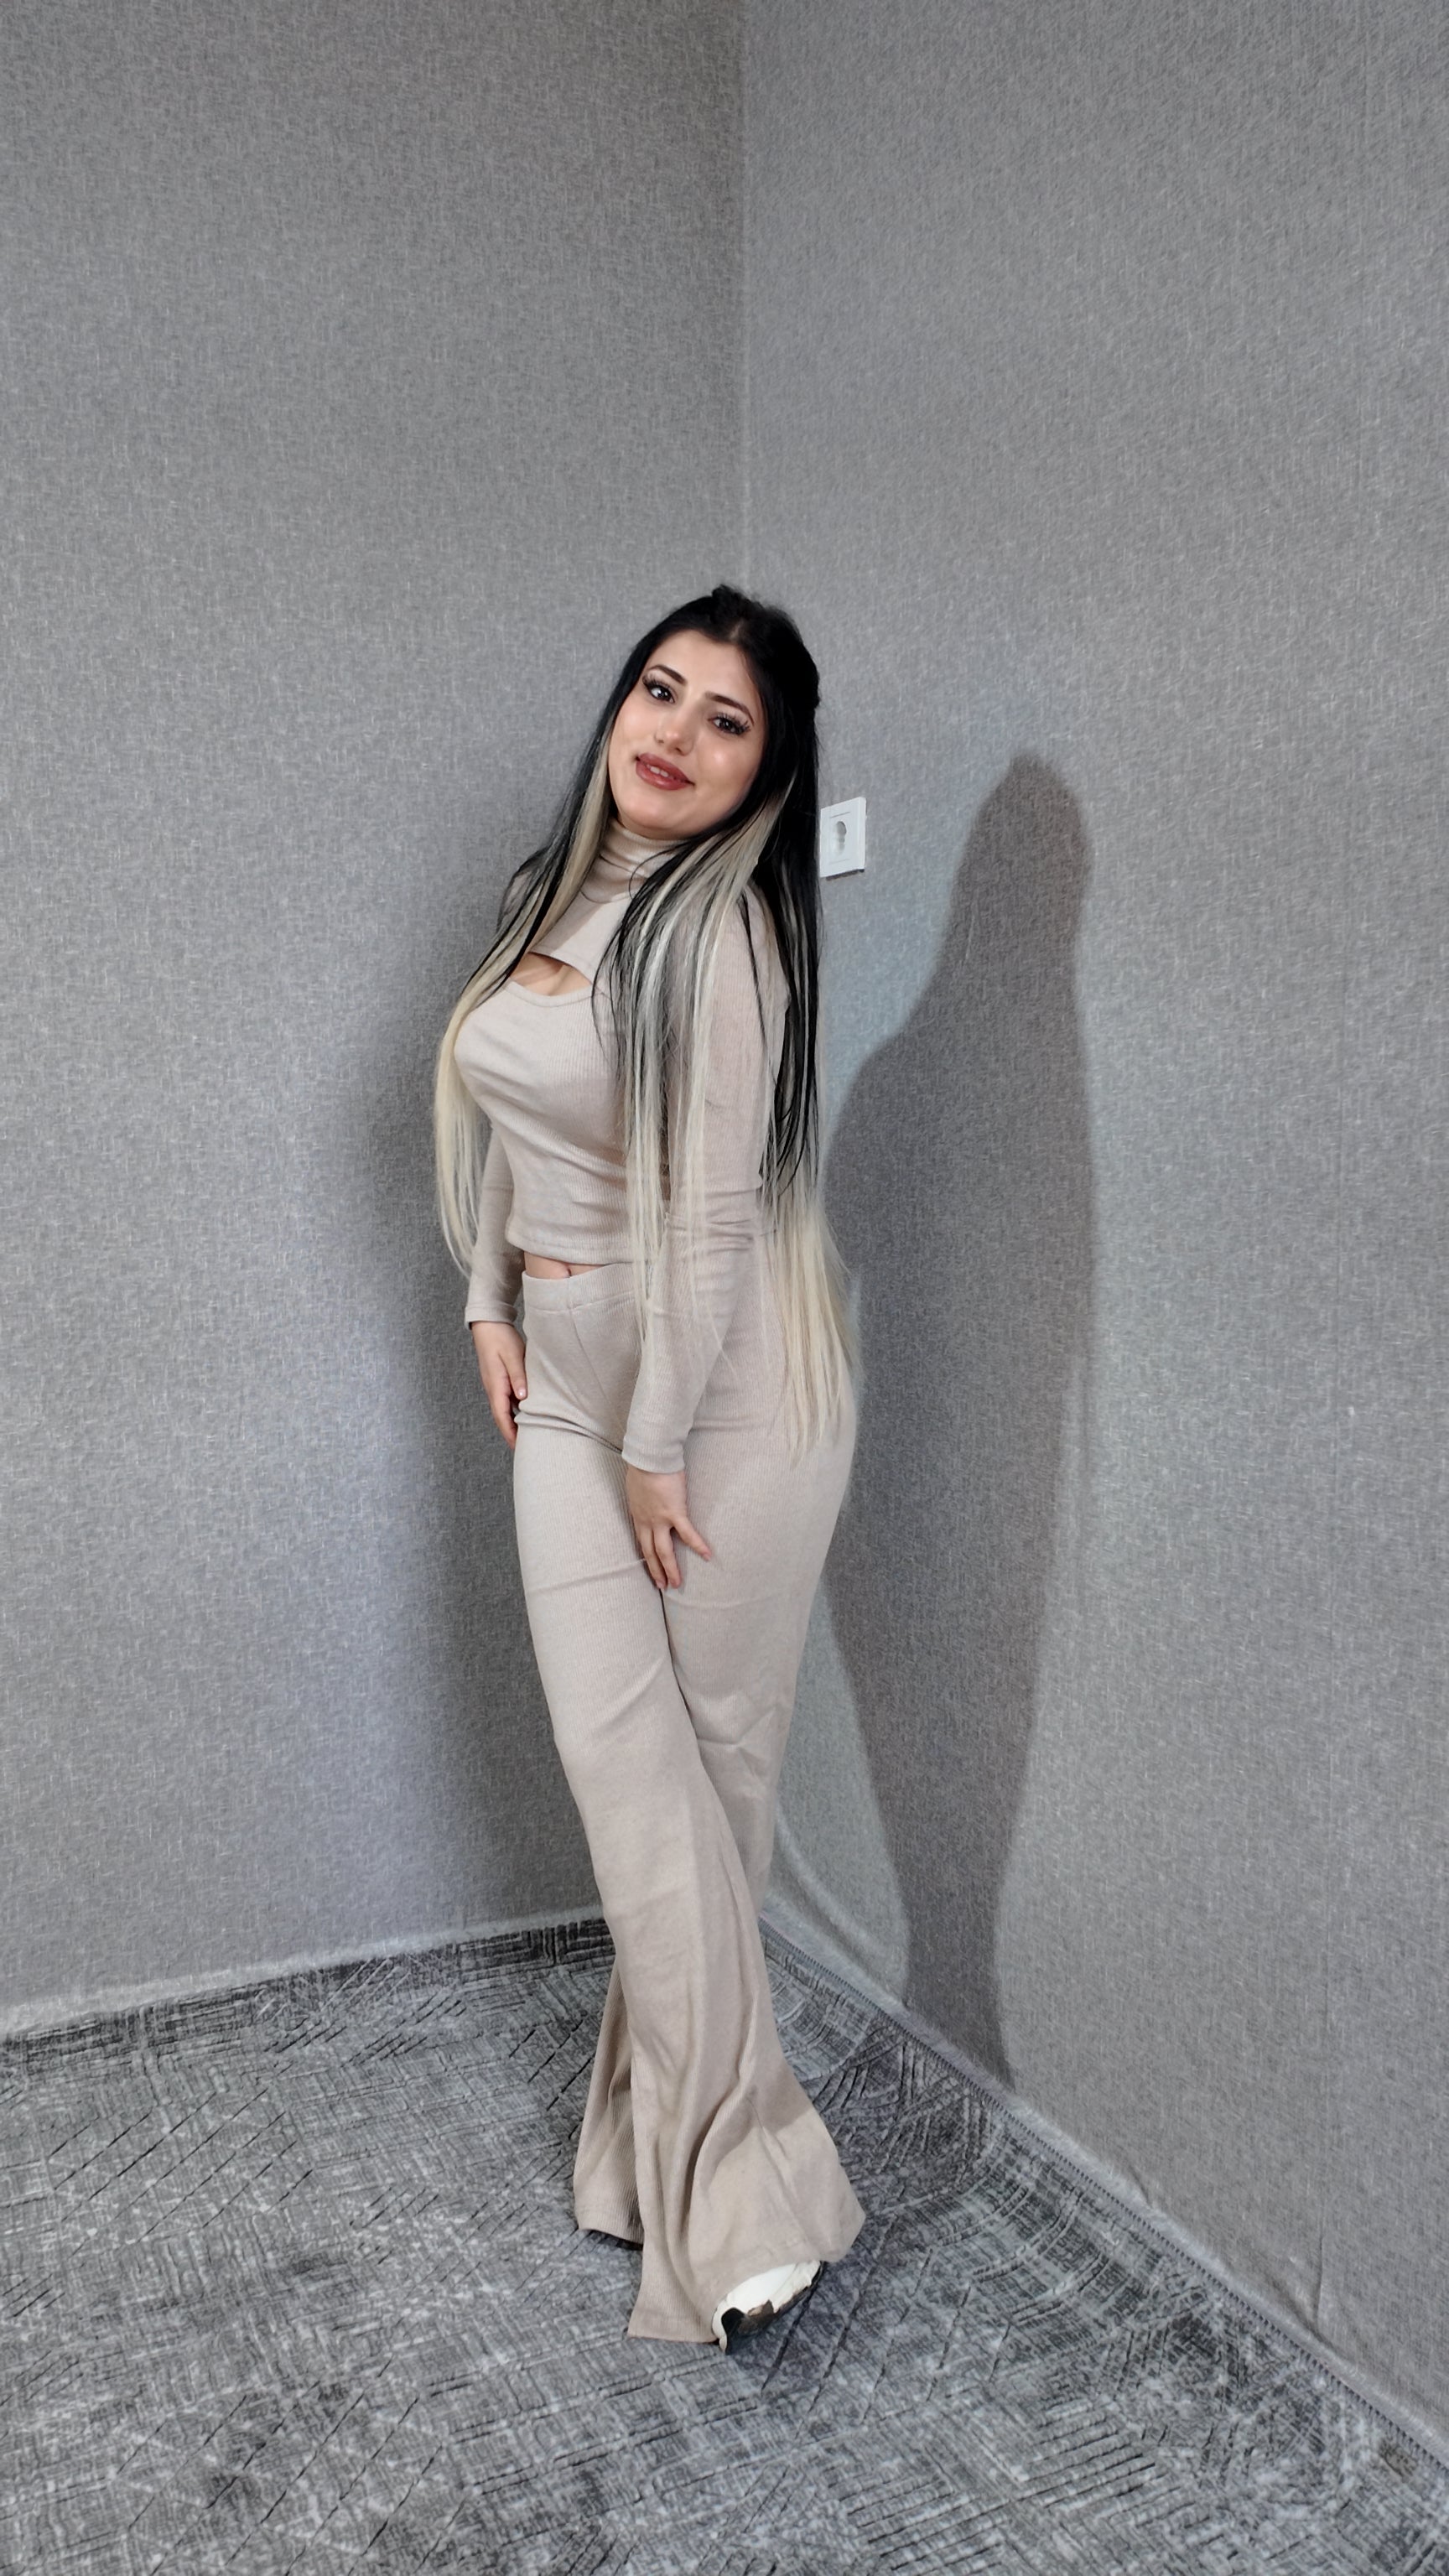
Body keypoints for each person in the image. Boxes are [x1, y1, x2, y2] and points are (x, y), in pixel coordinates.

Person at [433, 584, 865, 2349]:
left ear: (768, 772)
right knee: (637, 1789)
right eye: (660, 690)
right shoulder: (550, 898)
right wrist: (488, 1298)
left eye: (725, 719)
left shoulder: (724, 935)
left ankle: (704, 2182)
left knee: (709, 1798)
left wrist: (657, 1446)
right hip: (573, 1385)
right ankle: (693, 2164)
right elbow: (508, 1118)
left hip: (725, 1404)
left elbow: (708, 1221)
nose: (674, 734)